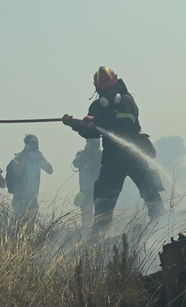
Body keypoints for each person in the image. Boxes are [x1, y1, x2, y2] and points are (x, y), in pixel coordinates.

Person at [63, 66, 164, 228]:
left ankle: (161, 224)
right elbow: (93, 134)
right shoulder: (96, 106)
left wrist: (96, 123)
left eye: (109, 89)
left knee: (150, 191)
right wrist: (75, 125)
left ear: (116, 85)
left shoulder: (126, 101)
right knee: (103, 199)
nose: (107, 94)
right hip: (111, 159)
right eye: (102, 91)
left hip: (133, 155)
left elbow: (123, 126)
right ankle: (99, 235)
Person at [5, 134, 53, 217]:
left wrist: (41, 156)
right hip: (19, 197)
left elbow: (50, 170)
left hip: (33, 197)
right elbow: (17, 172)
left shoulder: (37, 158)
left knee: (31, 225)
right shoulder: (19, 157)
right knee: (18, 224)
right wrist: (24, 155)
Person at [71, 138, 102, 227]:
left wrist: (100, 155)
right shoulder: (82, 153)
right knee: (86, 218)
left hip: (100, 190)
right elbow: (76, 164)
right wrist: (86, 152)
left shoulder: (103, 154)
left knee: (101, 216)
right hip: (86, 191)